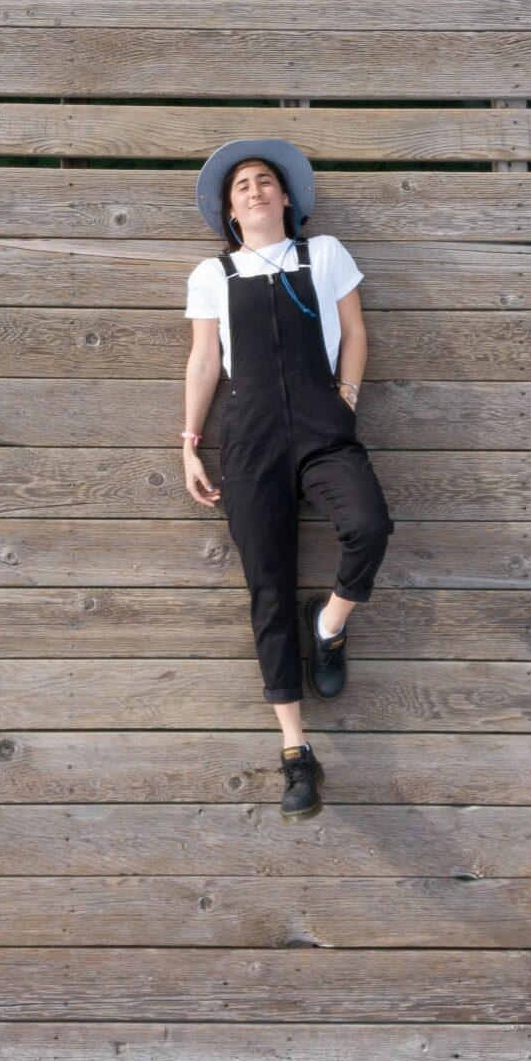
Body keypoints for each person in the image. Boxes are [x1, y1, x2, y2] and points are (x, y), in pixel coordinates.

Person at [182, 140, 393, 820]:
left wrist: (345, 398)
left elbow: (355, 333)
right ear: (229, 210)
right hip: (249, 433)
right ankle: (296, 753)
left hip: (321, 418)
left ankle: (329, 624)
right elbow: (204, 362)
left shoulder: (323, 254)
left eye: (265, 181)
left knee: (368, 525)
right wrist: (189, 443)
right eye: (241, 185)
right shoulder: (211, 274)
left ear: (286, 200)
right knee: (265, 587)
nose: (254, 190)